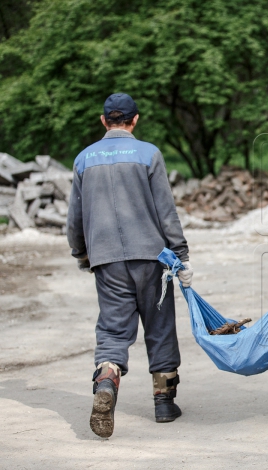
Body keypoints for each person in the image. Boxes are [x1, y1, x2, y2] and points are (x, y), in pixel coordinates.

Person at [66, 93, 194, 438]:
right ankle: (164, 401)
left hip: (106, 259)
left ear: (103, 120)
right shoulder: (148, 154)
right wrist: (180, 256)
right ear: (135, 120)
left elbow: (75, 218)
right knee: (160, 324)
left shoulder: (83, 159)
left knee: (112, 329)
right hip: (151, 258)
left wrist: (82, 253)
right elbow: (166, 211)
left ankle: (106, 381)